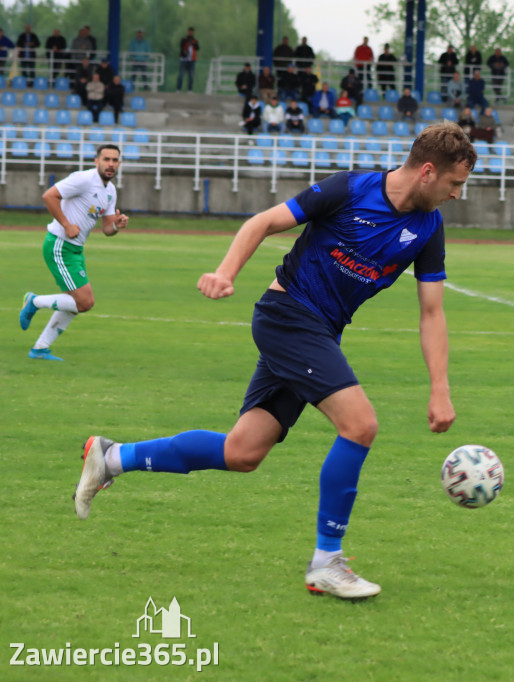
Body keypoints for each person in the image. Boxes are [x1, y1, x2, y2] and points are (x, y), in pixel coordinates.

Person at [73, 123, 476, 602]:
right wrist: (226, 273)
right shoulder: (350, 189)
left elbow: (432, 312)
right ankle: (327, 562)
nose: (457, 194)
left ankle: (113, 457)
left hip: (319, 332)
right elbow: (261, 223)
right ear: (428, 172)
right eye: (455, 183)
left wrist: (440, 387)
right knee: (360, 425)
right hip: (287, 316)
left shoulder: (428, 229)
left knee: (243, 452)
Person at [19, 146, 129, 362]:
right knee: (85, 301)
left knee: (74, 302)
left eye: (115, 160)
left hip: (75, 249)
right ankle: (34, 301)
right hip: (59, 245)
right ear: (96, 160)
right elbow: (50, 195)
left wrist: (116, 225)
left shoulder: (110, 191)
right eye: (106, 159)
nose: (111, 164)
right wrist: (67, 224)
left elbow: (106, 228)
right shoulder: (83, 179)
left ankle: (40, 349)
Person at [177, 27, 199, 92]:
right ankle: (178, 89)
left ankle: (190, 90)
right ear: (188, 32)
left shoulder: (195, 40)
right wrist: (187, 41)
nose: (191, 33)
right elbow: (181, 46)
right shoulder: (184, 39)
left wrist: (193, 43)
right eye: (190, 31)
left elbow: (197, 48)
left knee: (191, 75)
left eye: (192, 32)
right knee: (181, 74)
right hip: (184, 59)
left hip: (192, 60)